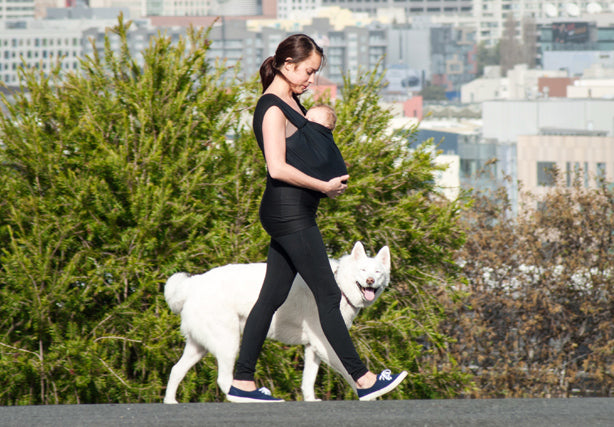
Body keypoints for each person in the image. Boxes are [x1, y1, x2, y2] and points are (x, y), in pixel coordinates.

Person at [227, 33, 407, 403]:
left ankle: (242, 382)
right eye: (308, 71)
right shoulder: (272, 108)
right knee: (329, 294)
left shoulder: (291, 100)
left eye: (315, 73)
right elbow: (276, 168)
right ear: (287, 65)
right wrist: (323, 186)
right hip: (288, 213)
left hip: (292, 212)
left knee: (270, 297)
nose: (312, 80)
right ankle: (364, 379)